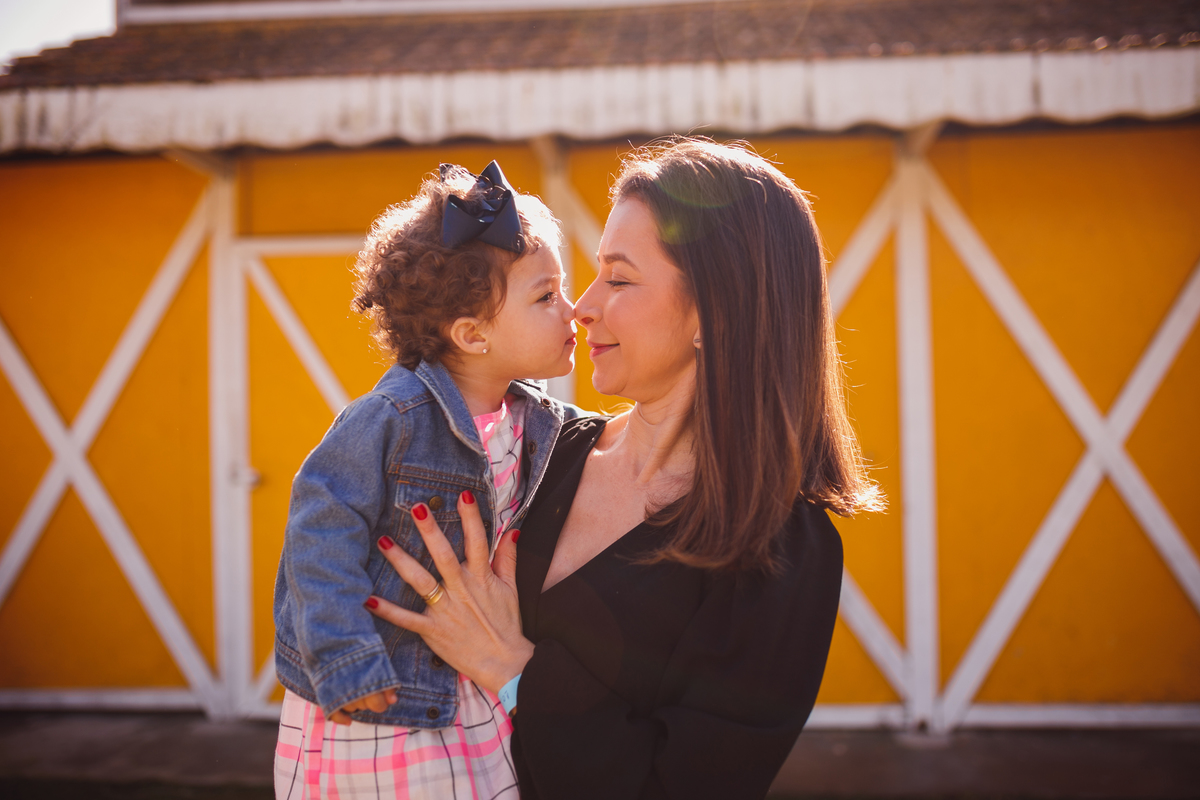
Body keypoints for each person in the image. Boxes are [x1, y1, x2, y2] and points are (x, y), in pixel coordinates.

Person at [365, 138, 884, 799]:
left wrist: (512, 669)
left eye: (619, 277)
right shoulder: (540, 450)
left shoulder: (783, 555)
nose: (581, 306)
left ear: (715, 311)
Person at [271, 161, 583, 799]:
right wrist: (345, 659)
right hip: (382, 701)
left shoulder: (540, 421)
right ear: (472, 335)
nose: (574, 310)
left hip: (469, 691)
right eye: (547, 296)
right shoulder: (392, 418)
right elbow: (318, 528)